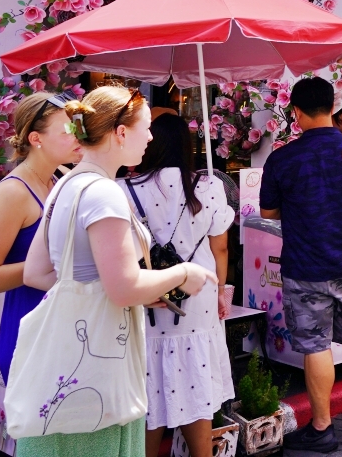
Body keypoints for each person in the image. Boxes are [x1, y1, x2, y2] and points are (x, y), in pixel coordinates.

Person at [21, 86, 217, 457]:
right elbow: (124, 289)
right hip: (101, 356)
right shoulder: (105, 193)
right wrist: (182, 274)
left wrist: (115, 289)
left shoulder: (66, 184)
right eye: (146, 127)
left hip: (69, 352)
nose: (150, 137)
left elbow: (36, 272)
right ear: (121, 132)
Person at [260, 77, 342, 453]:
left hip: (304, 267)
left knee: (316, 347)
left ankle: (322, 427)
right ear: (333, 108)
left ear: (295, 113)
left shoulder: (282, 159)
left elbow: (268, 211)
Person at [119, 113, 235, 457]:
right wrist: (219, 292)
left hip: (146, 299)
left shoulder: (124, 190)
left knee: (149, 394)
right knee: (197, 393)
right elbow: (221, 247)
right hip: (197, 297)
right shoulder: (208, 186)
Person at [0, 93, 83, 384]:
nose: (79, 135)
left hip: (66, 328)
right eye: (69, 129)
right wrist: (57, 260)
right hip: (30, 332)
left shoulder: (59, 180)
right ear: (35, 138)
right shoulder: (13, 192)